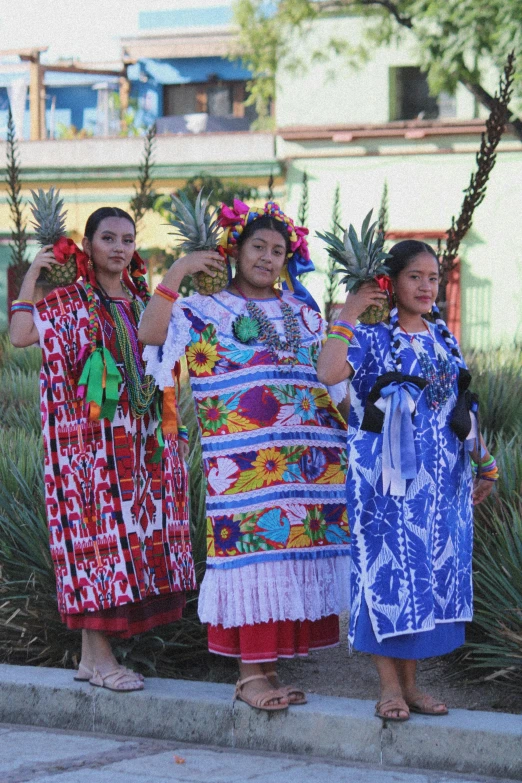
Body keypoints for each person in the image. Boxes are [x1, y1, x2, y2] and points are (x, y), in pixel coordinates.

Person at [139, 200, 350, 711]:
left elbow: (332, 376)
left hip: (307, 467)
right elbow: (149, 333)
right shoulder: (202, 309)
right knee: (253, 558)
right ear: (236, 250)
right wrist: (181, 271)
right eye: (258, 246)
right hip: (242, 466)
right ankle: (250, 678)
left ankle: (270, 671)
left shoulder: (304, 311)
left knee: (285, 562)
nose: (268, 258)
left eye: (278, 250)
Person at [10, 207, 196, 692]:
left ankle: (94, 661)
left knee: (123, 550)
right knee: (97, 549)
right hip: (88, 453)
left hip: (137, 450)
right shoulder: (70, 301)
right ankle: (101, 660)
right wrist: (31, 276)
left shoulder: (141, 302)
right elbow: (21, 335)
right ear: (88, 245)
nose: (119, 247)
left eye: (128, 238)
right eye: (108, 238)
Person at [317, 240, 497, 721]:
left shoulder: (444, 340)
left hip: (442, 488)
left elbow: (461, 409)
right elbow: (329, 370)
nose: (425, 285)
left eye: (433, 277)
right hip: (386, 485)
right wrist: (349, 309)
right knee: (387, 573)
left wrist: (486, 461)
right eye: (414, 276)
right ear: (391, 282)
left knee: (425, 579)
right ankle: (388, 689)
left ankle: (412, 687)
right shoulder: (373, 336)